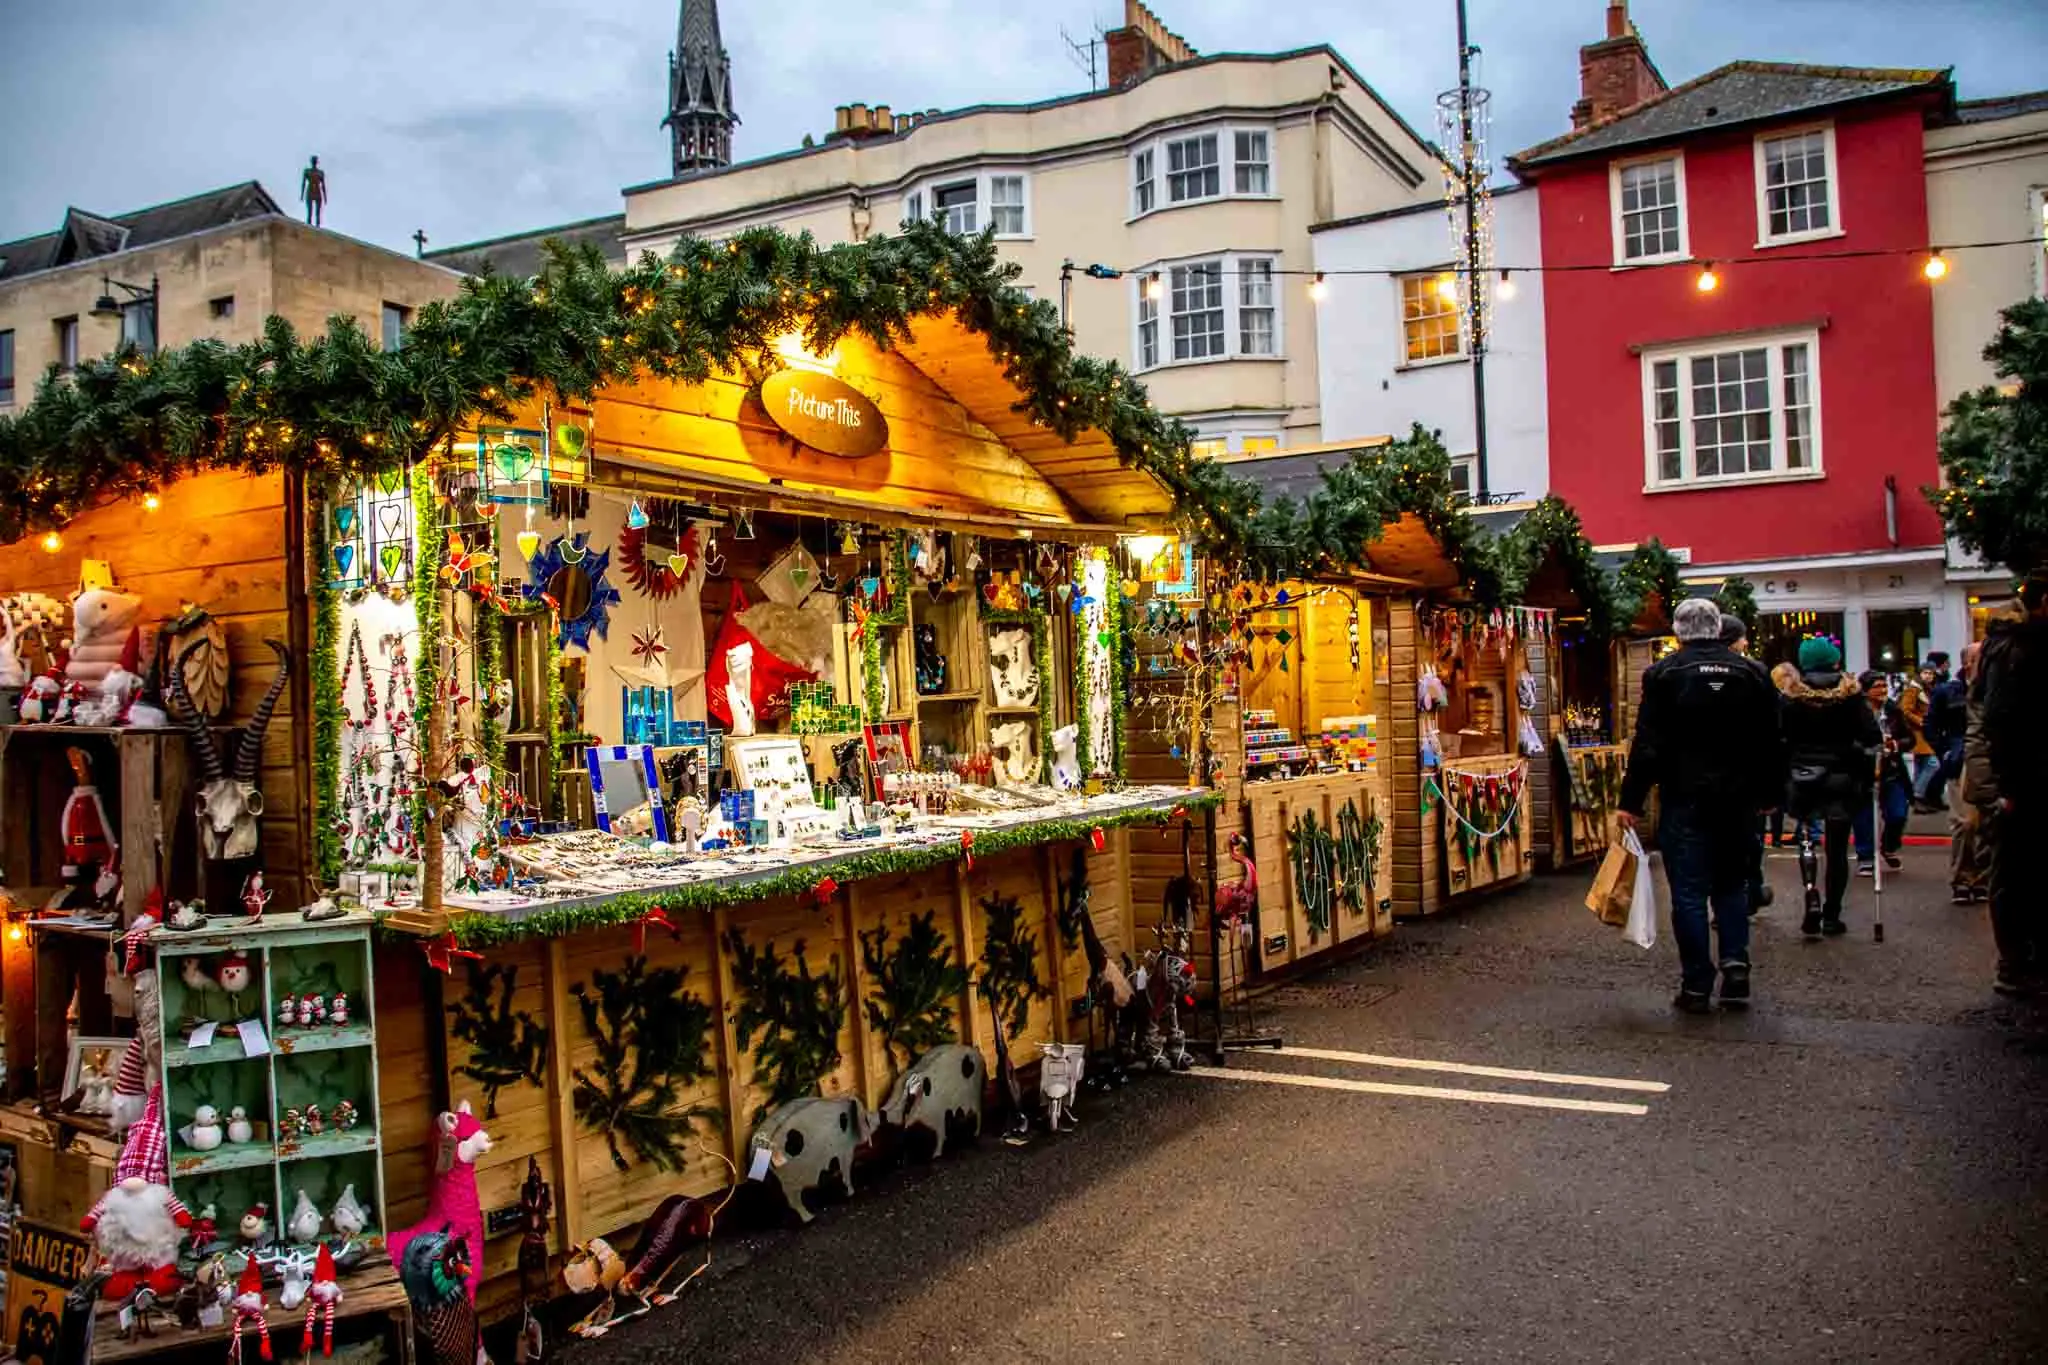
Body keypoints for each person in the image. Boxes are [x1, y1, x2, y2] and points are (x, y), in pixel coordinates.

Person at [1618, 599, 1783, 1013]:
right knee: (1731, 884)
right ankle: (1735, 964)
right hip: (1739, 798)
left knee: (1688, 893)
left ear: (1678, 631)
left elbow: (1648, 743)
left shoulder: (1664, 674)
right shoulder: (1753, 672)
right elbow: (1772, 738)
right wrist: (1769, 794)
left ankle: (1696, 983)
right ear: (1717, 628)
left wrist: (1631, 800)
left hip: (1684, 796)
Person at [1972, 572, 2048, 995]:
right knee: (2016, 869)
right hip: (2023, 781)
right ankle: (2017, 959)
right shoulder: (2014, 651)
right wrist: (2007, 786)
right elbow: (2000, 722)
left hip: (2024, 776)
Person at [1775, 638, 1880, 938]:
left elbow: (1780, 738)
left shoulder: (1791, 696)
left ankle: (1811, 893)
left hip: (1803, 775)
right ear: (1835, 661)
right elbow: (1871, 735)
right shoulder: (1851, 695)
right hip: (1842, 776)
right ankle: (1832, 914)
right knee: (1836, 847)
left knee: (1807, 836)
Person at [1720, 613, 1775, 913]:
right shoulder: (1754, 672)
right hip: (1747, 776)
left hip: (1714, 776)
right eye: (1742, 637)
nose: (1746, 642)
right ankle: (1747, 892)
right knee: (1748, 840)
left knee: (1729, 843)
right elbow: (1770, 730)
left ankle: (1740, 895)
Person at [1852, 671, 1912, 875]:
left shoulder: (1893, 710)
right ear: (1866, 690)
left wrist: (1895, 745)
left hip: (1891, 770)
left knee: (1898, 813)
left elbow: (1908, 738)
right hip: (1863, 771)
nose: (1882, 690)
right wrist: (1868, 750)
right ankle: (1866, 855)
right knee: (1864, 816)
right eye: (1877, 686)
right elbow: (1848, 740)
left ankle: (1889, 846)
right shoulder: (1855, 711)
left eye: (1884, 686)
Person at [1948, 642, 1989, 906]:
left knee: (1985, 824)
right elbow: (1932, 723)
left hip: (1988, 760)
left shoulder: (1994, 688)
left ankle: (1982, 879)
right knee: (1965, 823)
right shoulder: (1949, 692)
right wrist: (1945, 752)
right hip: (1961, 762)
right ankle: (1962, 879)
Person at [1900, 668, 1939, 811]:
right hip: (1917, 733)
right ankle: (1917, 794)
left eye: (1931, 673)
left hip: (1925, 733)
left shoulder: (1927, 689)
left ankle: (1917, 800)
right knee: (1933, 763)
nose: (1928, 676)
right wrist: (1921, 721)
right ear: (1920, 674)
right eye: (1925, 673)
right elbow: (1905, 709)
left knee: (1921, 765)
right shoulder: (1913, 690)